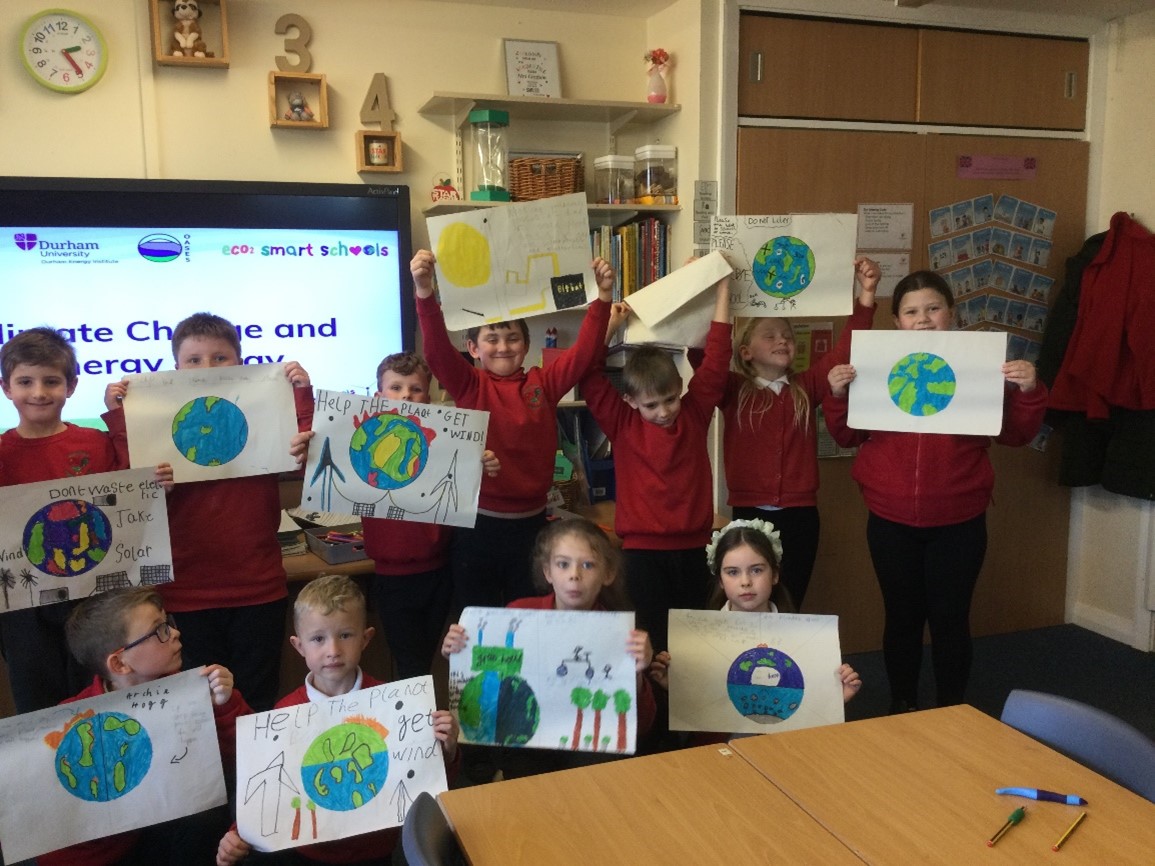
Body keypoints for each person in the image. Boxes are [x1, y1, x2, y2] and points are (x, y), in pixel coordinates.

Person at [822, 270, 1047, 712]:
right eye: (911, 312)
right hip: (890, 518)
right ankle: (902, 705)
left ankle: (952, 708)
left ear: (952, 313)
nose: (923, 319)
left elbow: (1017, 435)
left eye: (932, 308)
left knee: (950, 620)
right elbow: (847, 437)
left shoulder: (978, 364)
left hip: (959, 520)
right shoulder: (875, 365)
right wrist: (836, 394)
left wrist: (1029, 390)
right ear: (897, 322)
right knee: (902, 619)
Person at [117, 312, 314, 711]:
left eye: (220, 358)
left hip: (257, 589)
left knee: (255, 702)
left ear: (240, 363)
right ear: (175, 369)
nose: (206, 368)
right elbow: (127, 495)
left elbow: (305, 456)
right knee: (193, 709)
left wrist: (301, 394)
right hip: (184, 595)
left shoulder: (261, 418)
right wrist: (122, 418)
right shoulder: (157, 425)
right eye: (194, 360)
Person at [411, 251, 614, 613]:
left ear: (526, 345)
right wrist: (425, 291)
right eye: (492, 338)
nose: (503, 346)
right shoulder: (469, 384)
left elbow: (584, 353)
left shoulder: (544, 383)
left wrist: (601, 299)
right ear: (473, 348)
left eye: (512, 337)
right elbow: (437, 352)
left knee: (528, 625)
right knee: (481, 626)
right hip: (477, 528)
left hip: (533, 529)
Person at [216, 574, 460, 866]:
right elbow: (269, 784)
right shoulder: (287, 712)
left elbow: (427, 780)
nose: (333, 651)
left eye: (345, 635)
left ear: (366, 638)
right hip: (310, 851)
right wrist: (237, 834)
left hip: (375, 851)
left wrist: (448, 749)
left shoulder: (394, 705)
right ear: (298, 646)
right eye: (318, 639)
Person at [578, 270, 732, 653]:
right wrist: (610, 325)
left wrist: (723, 290)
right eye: (651, 405)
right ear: (630, 401)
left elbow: (715, 362)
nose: (664, 412)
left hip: (696, 549)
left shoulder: (694, 415)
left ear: (680, 390)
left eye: (670, 399)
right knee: (650, 646)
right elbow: (589, 372)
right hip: (643, 555)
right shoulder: (622, 422)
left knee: (695, 645)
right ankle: (655, 713)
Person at [39, 586, 248, 866]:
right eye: (159, 630)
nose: (175, 633)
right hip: (106, 853)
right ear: (119, 663)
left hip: (171, 836)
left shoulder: (194, 691)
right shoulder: (71, 724)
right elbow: (55, 833)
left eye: (168, 623)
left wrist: (223, 705)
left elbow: (248, 760)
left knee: (206, 815)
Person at [717, 257, 880, 609]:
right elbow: (707, 358)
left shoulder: (805, 387)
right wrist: (715, 294)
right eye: (770, 335)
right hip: (750, 512)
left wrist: (866, 295)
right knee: (748, 601)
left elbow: (845, 351)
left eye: (788, 336)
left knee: (790, 600)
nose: (783, 340)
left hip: (801, 516)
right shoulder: (733, 390)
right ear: (745, 351)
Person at [0, 327, 147, 712]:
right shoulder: (1, 451)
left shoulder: (93, 443)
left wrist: (118, 415)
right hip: (23, 604)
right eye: (25, 382)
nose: (39, 392)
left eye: (51, 381)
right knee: (37, 700)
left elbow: (132, 490)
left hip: (91, 593)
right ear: (6, 389)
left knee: (99, 692)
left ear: (71, 386)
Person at [441, 517, 655, 777]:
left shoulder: (622, 635)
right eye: (563, 564)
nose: (574, 575)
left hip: (587, 753)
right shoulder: (517, 615)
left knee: (594, 767)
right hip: (525, 746)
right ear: (547, 572)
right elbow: (490, 679)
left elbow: (641, 725)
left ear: (607, 574)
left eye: (588, 565)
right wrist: (460, 650)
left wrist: (637, 673)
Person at [360, 351, 498, 679]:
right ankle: (419, 728)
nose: (406, 395)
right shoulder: (364, 440)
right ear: (379, 395)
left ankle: (431, 725)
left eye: (415, 388)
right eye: (395, 388)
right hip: (392, 576)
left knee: (432, 662)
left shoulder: (445, 440)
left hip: (439, 571)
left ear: (431, 396)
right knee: (411, 666)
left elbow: (467, 484)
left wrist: (484, 463)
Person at [649, 519, 862, 711]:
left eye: (757, 570)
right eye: (733, 572)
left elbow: (807, 704)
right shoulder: (700, 639)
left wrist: (836, 697)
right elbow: (701, 706)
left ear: (775, 574)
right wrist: (674, 686)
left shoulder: (802, 637)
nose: (745, 582)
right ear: (721, 581)